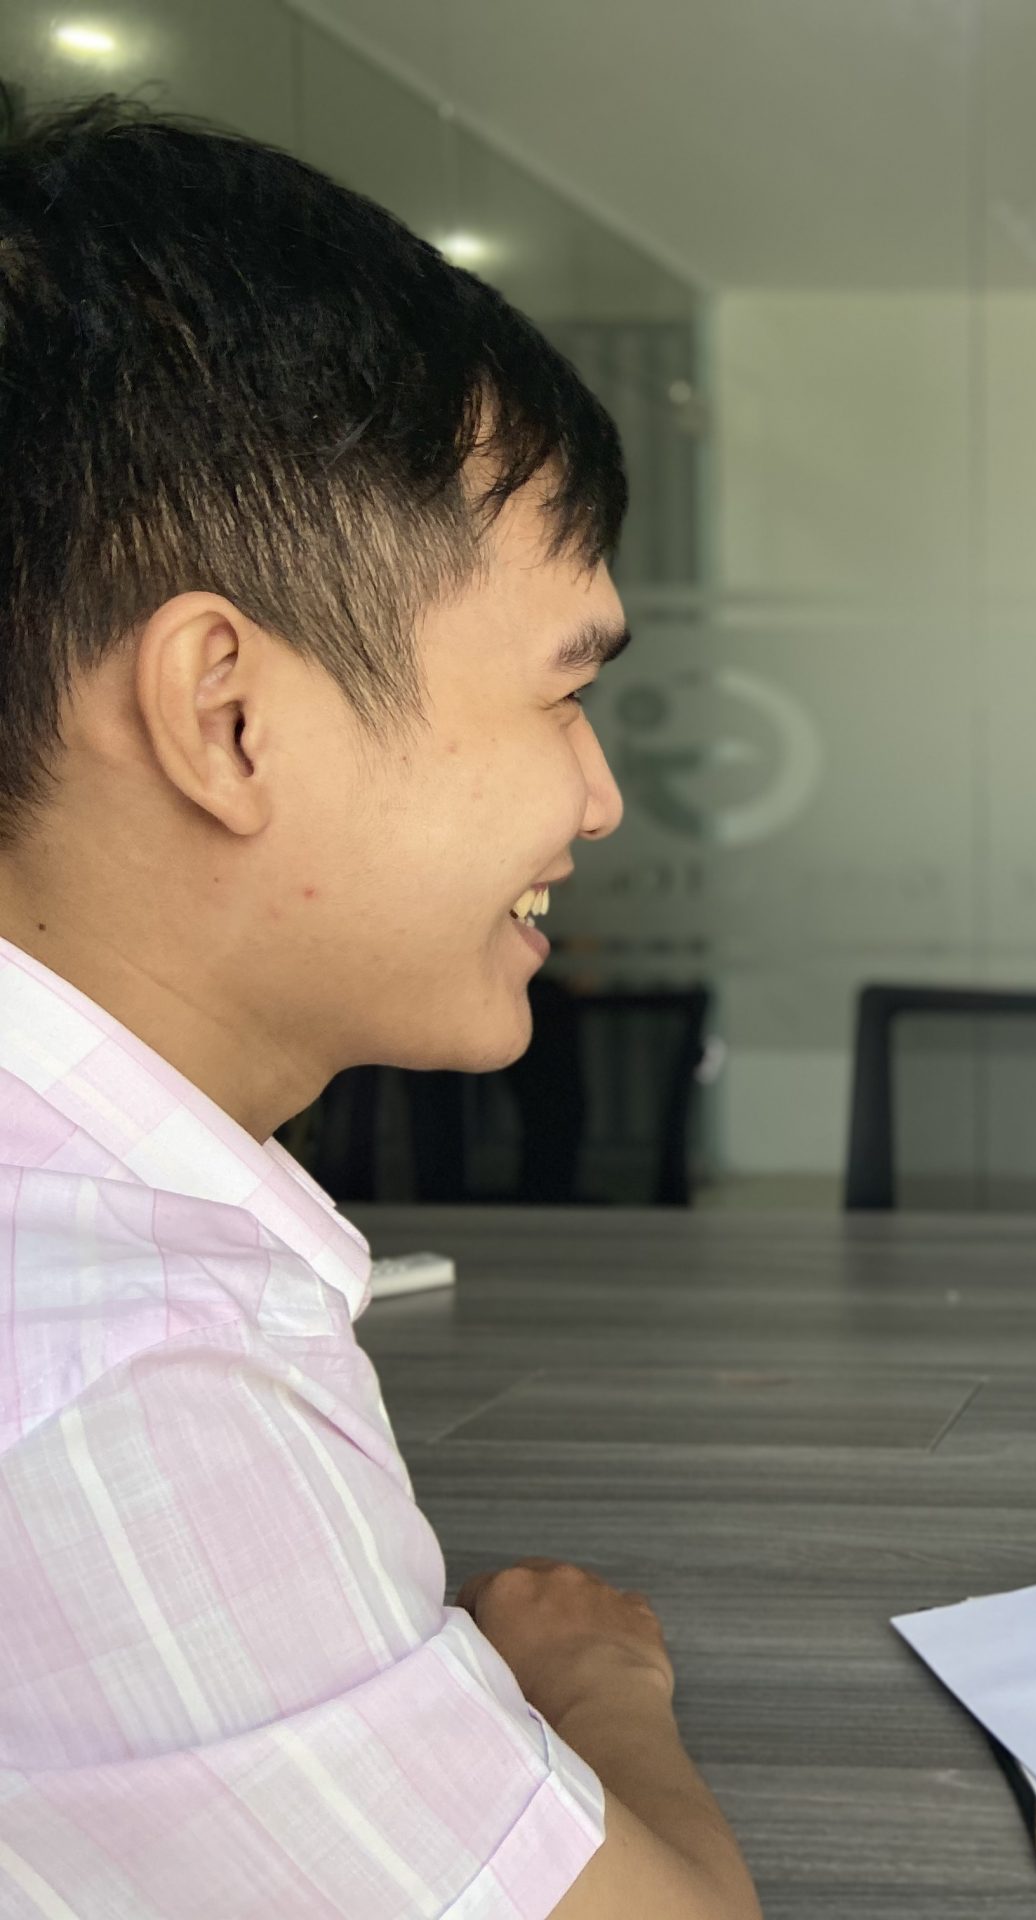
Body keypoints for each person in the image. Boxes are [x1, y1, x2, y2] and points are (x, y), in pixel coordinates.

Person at [0, 96, 758, 1918]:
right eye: (560, 692)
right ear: (228, 716)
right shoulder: (129, 1391)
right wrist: (593, 1687)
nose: (599, 797)